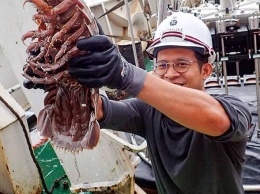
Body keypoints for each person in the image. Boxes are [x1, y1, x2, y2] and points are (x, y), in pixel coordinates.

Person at [26, 11, 252, 193]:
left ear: (206, 70)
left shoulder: (234, 108)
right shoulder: (147, 110)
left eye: (182, 64)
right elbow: (100, 110)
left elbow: (216, 120)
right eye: (162, 65)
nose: (170, 73)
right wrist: (60, 77)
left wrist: (125, 74)